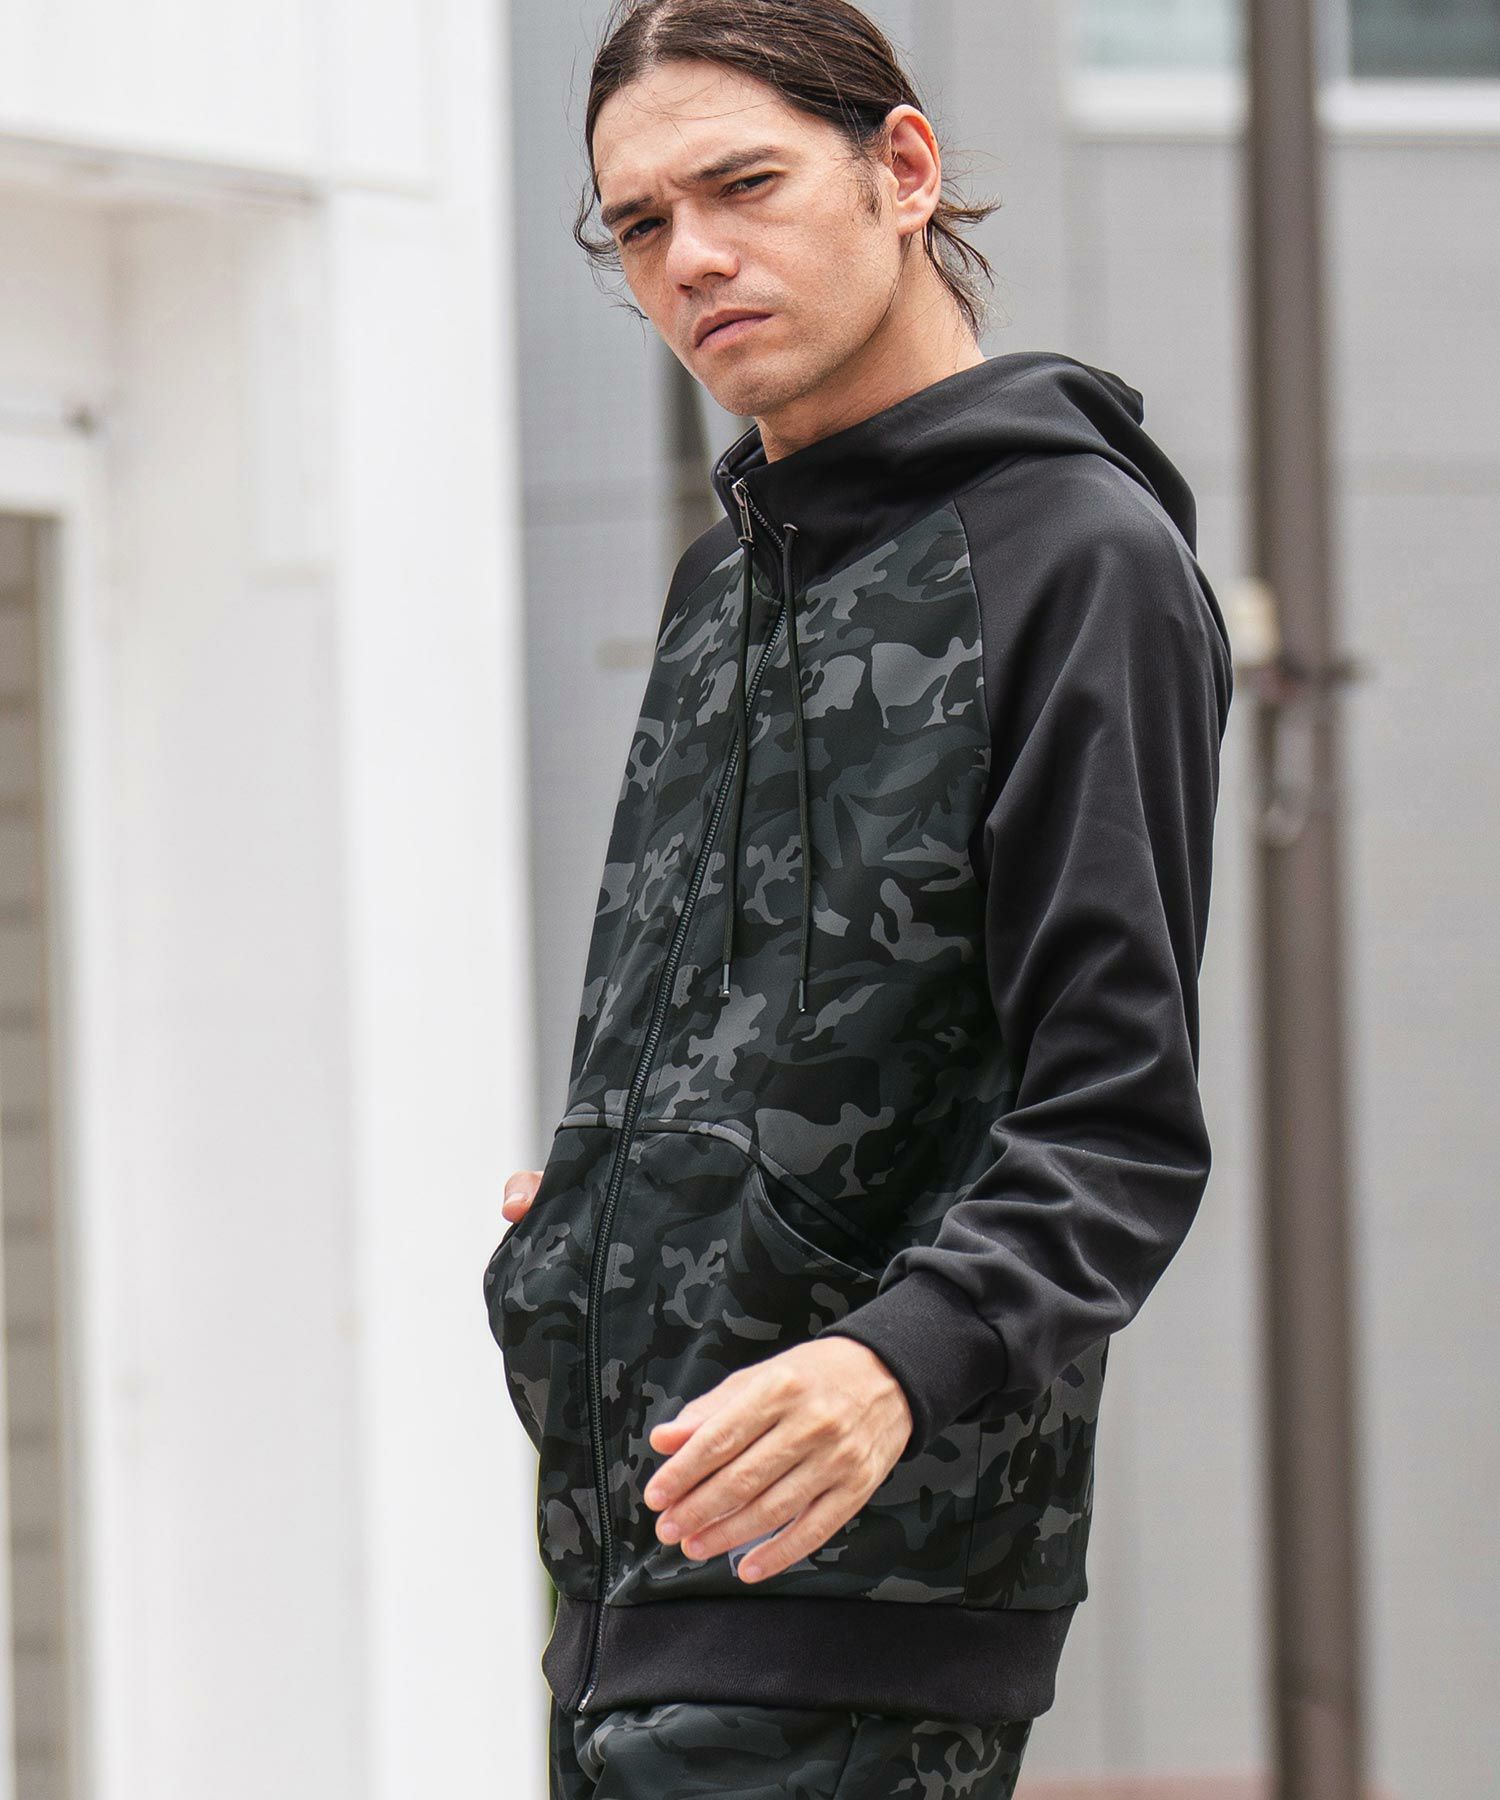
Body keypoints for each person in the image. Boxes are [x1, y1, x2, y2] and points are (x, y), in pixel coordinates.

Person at [484, 2, 1235, 1794]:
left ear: (901, 169)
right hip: (632, 1578)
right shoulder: (722, 583)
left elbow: (1118, 1124)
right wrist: (602, 1199)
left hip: (859, 1610)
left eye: (741, 185)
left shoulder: (1077, 559)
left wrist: (892, 1366)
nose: (692, 259)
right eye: (639, 224)